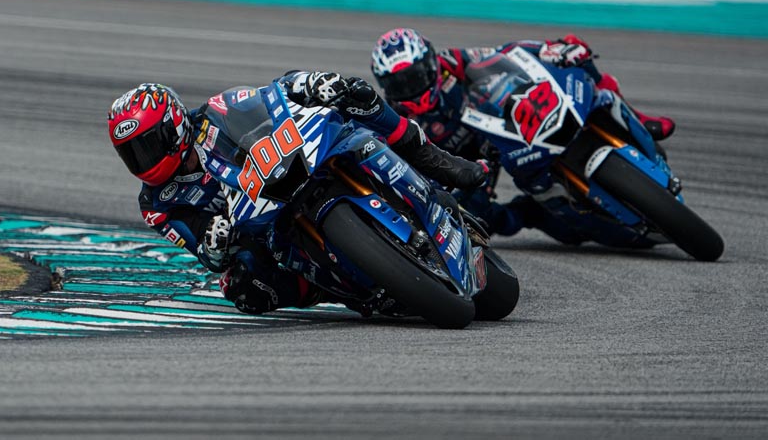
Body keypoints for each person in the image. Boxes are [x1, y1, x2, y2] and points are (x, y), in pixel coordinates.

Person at [107, 73, 485, 314]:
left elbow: (272, 95)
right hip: (260, 225)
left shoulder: (215, 112)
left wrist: (310, 84)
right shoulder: (156, 204)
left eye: (149, 144)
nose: (144, 160)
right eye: (132, 153)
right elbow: (205, 255)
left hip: (290, 165)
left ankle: (432, 160)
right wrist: (214, 242)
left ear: (173, 127)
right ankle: (344, 288)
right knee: (242, 289)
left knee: (355, 93)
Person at [369, 28, 676, 243]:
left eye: (416, 78)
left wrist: (551, 50)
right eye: (400, 84)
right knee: (486, 220)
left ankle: (637, 117)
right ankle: (539, 213)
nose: (411, 90)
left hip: (504, 126)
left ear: (431, 63)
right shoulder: (396, 118)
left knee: (580, 61)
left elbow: (508, 54)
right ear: (386, 86)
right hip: (467, 164)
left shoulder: (453, 63)